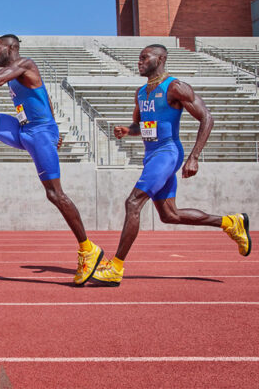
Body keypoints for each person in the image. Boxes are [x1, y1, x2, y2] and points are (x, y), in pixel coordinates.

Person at [0, 34, 103, 286]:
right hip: (23, 129)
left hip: (40, 133)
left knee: (54, 194)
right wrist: (56, 127)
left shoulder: (26, 64)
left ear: (11, 48)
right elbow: (46, 99)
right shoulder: (18, 73)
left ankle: (88, 249)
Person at [93, 44, 250, 287]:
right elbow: (140, 126)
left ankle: (115, 267)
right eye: (139, 58)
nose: (140, 61)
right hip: (151, 155)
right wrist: (127, 130)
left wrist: (194, 156)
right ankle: (231, 223)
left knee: (133, 202)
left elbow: (207, 117)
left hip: (167, 153)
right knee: (170, 215)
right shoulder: (141, 92)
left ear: (161, 58)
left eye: (145, 57)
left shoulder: (175, 87)